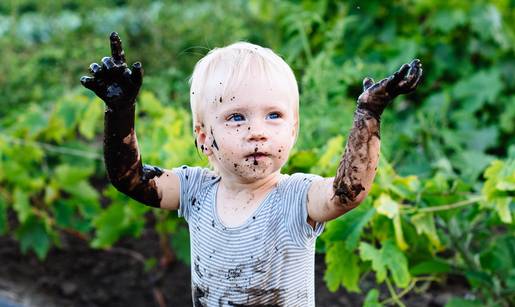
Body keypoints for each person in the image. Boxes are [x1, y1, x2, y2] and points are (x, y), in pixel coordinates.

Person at [80, 32, 422, 307]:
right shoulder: (196, 190)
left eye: (274, 115)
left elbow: (346, 193)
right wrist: (120, 110)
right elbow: (130, 179)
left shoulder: (296, 197)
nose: (257, 131)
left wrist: (368, 114)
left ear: (293, 130)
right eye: (236, 117)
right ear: (203, 136)